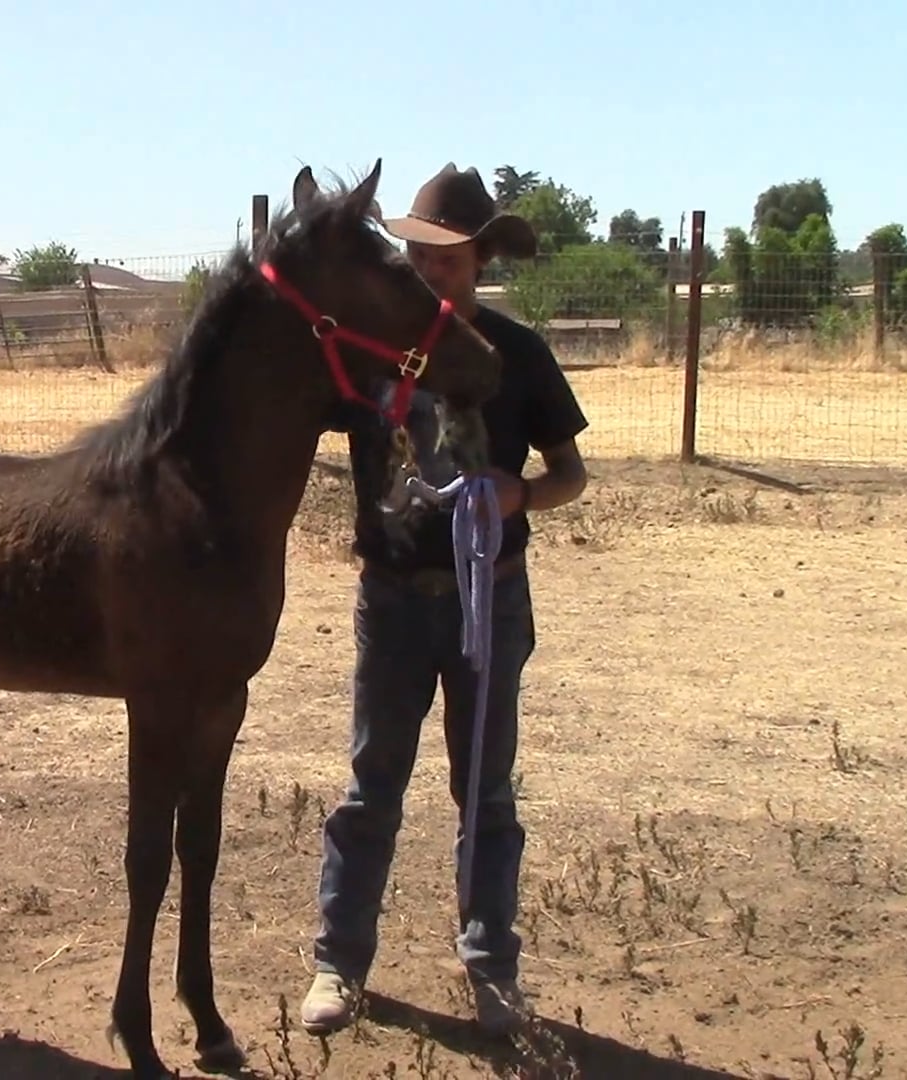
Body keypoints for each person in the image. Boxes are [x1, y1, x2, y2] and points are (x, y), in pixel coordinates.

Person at [298, 162, 592, 1037]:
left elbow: (571, 475)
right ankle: (338, 965)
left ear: (478, 262)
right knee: (369, 786)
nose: (433, 277)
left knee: (486, 793)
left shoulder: (518, 356)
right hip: (389, 600)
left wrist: (518, 495)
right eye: (420, 260)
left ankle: (491, 968)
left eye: (450, 263)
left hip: (489, 603)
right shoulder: (370, 350)